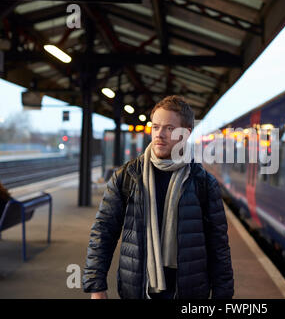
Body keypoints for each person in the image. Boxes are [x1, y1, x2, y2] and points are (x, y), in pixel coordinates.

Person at [82, 95, 234, 299]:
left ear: (185, 134)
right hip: (137, 289)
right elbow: (103, 232)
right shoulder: (127, 177)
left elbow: (219, 246)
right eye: (155, 127)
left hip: (188, 292)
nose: (159, 134)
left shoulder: (203, 183)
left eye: (169, 128)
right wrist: (96, 286)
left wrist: (223, 295)